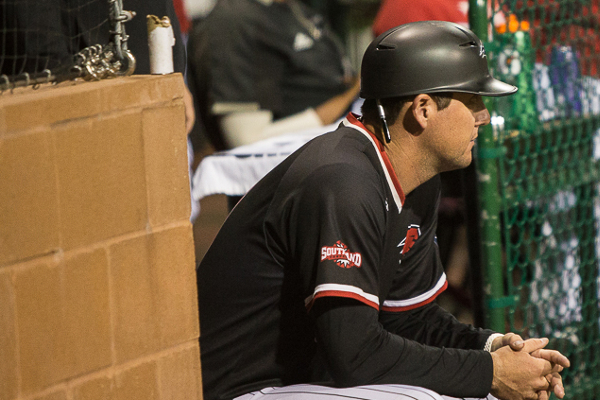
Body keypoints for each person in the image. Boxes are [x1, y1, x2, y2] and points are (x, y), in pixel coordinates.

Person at [196, 21, 570, 400]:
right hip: (242, 388)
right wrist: (487, 373)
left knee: (475, 389)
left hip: (307, 378)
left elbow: (408, 317)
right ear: (423, 109)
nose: (484, 116)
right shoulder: (343, 181)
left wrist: (492, 349)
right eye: (473, 100)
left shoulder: (417, 180)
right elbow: (353, 354)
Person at [187, 0, 360, 151]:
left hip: (341, 139)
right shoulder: (235, 20)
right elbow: (246, 141)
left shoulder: (293, 8)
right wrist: (343, 100)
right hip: (295, 171)